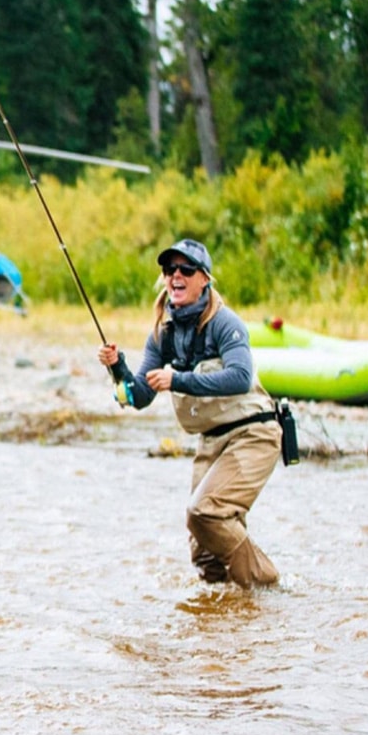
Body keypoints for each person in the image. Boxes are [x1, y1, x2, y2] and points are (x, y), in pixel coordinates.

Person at [97, 239, 282, 588]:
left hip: (253, 435)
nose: (176, 276)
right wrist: (117, 368)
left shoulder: (226, 324)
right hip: (211, 441)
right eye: (170, 270)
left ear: (204, 279)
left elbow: (241, 378)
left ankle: (266, 586)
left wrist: (178, 379)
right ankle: (229, 621)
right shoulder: (161, 334)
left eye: (186, 269)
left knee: (206, 512)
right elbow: (139, 396)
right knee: (204, 553)